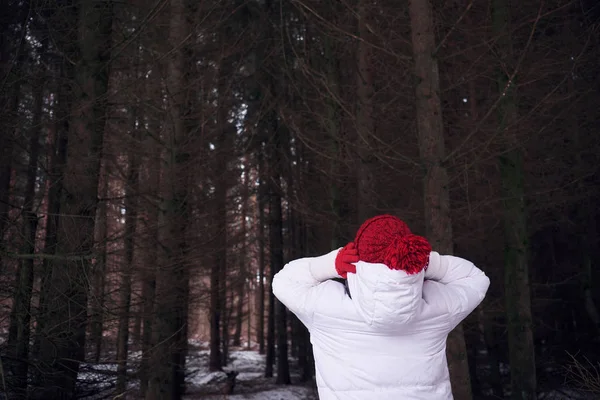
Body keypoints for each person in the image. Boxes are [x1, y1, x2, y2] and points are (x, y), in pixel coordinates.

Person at [272, 214, 490, 400]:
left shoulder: (324, 307)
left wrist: (331, 264)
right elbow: (475, 279)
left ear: (358, 255)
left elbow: (283, 281)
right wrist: (427, 263)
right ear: (411, 251)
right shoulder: (436, 306)